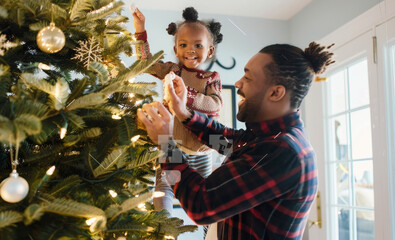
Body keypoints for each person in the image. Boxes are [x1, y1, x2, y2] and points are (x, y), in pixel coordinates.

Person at [137, 42, 334, 239]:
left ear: (276, 92)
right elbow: (226, 142)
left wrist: (165, 144)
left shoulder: (281, 151)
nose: (238, 83)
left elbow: (199, 206)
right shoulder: (267, 137)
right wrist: (183, 112)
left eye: (247, 77)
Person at [132, 7, 224, 215]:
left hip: (201, 149)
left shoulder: (211, 77)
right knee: (166, 187)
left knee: (203, 195)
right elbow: (146, 64)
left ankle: (206, 235)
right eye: (183, 45)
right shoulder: (172, 71)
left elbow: (215, 104)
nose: (190, 50)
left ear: (209, 50)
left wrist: (186, 95)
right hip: (173, 146)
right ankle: (163, 227)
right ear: (175, 50)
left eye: (198, 45)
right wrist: (140, 31)